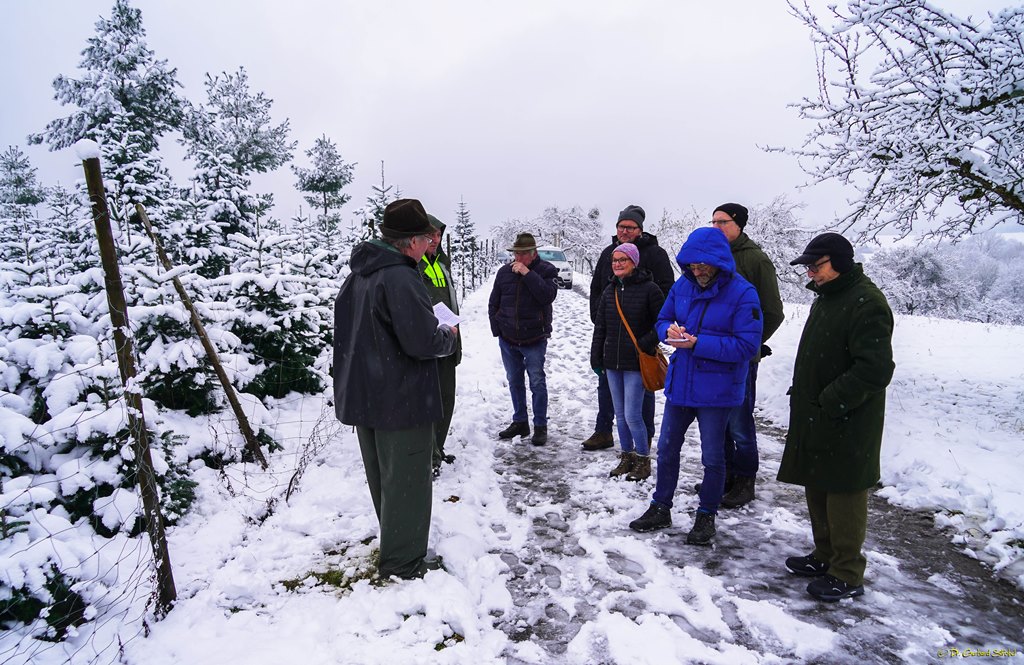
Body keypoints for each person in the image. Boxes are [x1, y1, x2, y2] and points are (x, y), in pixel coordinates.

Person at [332, 198, 458, 580]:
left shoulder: (360, 274)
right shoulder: (401, 277)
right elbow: (421, 342)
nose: (428, 245)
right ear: (412, 241)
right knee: (407, 480)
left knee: (384, 477)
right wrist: (447, 337)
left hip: (366, 393)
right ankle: (404, 562)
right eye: (425, 238)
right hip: (401, 398)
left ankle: (396, 544)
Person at [628, 227, 762, 546]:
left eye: (703, 264)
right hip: (682, 385)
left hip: (718, 392)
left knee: (713, 457)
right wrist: (668, 331)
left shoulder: (744, 294)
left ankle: (706, 516)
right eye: (691, 264)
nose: (697, 270)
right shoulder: (682, 286)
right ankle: (660, 507)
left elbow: (747, 346)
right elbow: (662, 320)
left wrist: (698, 343)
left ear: (720, 261)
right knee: (667, 449)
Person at [779, 232, 894, 602]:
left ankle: (847, 571)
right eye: (808, 267)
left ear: (840, 262)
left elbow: (875, 369)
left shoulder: (867, 302)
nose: (810, 273)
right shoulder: (828, 298)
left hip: (848, 419)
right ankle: (825, 555)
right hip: (818, 414)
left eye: (817, 265)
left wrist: (831, 399)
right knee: (818, 484)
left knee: (844, 491)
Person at [704, 203, 786, 508]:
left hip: (739, 359)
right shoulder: (713, 255)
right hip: (712, 354)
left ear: (738, 224)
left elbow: (773, 312)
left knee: (739, 421)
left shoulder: (755, 259)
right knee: (718, 419)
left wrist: (750, 342)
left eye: (722, 222)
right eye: (712, 222)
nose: (716, 227)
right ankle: (723, 476)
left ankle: (745, 481)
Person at [583, 205, 675, 452]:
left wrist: (651, 331)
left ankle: (644, 437)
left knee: (642, 389)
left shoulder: (655, 255)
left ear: (640, 230)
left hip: (640, 337)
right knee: (607, 383)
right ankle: (603, 431)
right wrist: (599, 317)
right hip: (612, 335)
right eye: (621, 226)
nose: (624, 231)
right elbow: (596, 288)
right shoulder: (608, 253)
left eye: (630, 227)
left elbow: (667, 292)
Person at [590, 242, 666, 481]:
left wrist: (645, 342)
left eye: (623, 260)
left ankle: (643, 460)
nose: (618, 264)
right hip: (612, 361)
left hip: (636, 362)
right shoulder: (609, 290)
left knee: (633, 414)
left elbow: (662, 323)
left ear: (634, 262)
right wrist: (596, 357)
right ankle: (627, 456)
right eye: (615, 260)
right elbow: (600, 327)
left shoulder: (650, 290)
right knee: (621, 415)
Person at [488, 232, 559, 445]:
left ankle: (540, 426)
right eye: (515, 254)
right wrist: (497, 328)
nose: (517, 259)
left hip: (534, 338)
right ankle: (520, 421)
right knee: (514, 380)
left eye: (522, 255)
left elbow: (547, 296)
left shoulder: (547, 270)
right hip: (508, 338)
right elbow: (494, 302)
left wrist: (528, 274)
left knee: (537, 382)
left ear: (533, 253)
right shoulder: (504, 272)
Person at [420, 214, 462, 478]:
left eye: (438, 235)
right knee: (429, 402)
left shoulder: (443, 265)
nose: (435, 240)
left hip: (449, 341)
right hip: (428, 344)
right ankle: (427, 455)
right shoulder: (414, 267)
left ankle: (438, 448)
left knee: (446, 398)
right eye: (430, 235)